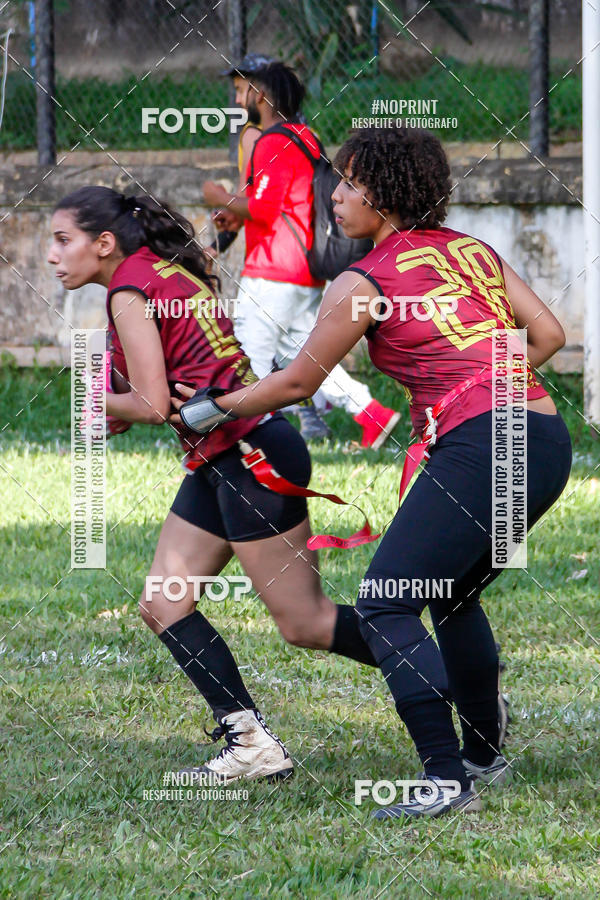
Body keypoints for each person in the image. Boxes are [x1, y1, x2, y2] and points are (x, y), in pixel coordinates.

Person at [174, 127, 571, 819]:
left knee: (387, 602)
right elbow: (548, 337)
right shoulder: (472, 251)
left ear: (383, 194)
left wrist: (210, 407)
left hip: (486, 443)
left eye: (349, 183)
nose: (336, 196)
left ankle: (445, 780)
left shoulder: (366, 278)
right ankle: (480, 756)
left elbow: (298, 382)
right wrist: (478, 381)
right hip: (542, 439)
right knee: (450, 595)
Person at [47, 185, 379, 784]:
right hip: (226, 453)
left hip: (249, 457)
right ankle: (250, 742)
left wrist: (97, 399)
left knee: (304, 623)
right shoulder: (159, 272)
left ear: (102, 244)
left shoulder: (129, 289)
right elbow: (165, 394)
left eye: (62, 240)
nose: (52, 254)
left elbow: (150, 401)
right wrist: (123, 406)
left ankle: (459, 683)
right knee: (164, 602)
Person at [203, 61, 400, 447]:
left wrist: (219, 198)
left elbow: (264, 208)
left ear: (260, 96)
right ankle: (372, 414)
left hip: (274, 268)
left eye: (244, 92)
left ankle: (255, 438)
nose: (238, 99)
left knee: (247, 354)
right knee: (304, 354)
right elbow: (276, 199)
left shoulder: (271, 142)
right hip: (302, 268)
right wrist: (234, 210)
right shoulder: (305, 136)